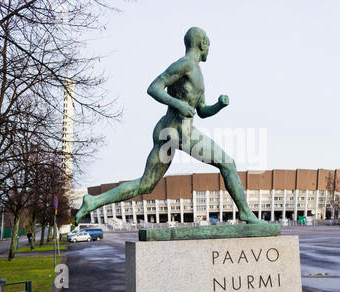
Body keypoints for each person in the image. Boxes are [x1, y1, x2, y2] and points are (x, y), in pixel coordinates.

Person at [75, 27, 265, 225]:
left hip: (177, 132)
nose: (209, 50)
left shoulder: (197, 73)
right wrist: (178, 103)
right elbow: (154, 88)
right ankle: (245, 212)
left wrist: (219, 105)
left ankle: (94, 200)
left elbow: (201, 111)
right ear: (202, 44)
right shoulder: (184, 65)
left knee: (145, 185)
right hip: (177, 132)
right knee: (228, 163)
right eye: (209, 45)